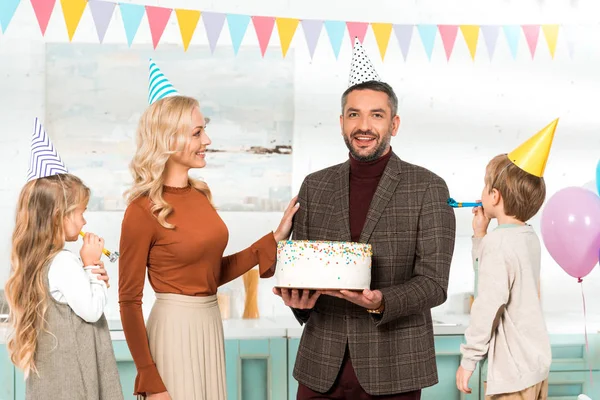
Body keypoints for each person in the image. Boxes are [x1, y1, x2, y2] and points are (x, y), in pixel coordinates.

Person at [274, 38, 456, 399]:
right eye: (354, 114)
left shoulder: (428, 188)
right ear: (342, 122)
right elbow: (303, 272)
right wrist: (298, 301)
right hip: (320, 367)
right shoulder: (316, 186)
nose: (364, 125)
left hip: (394, 370)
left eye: (377, 114)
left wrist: (381, 301)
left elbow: (435, 283)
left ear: (395, 123)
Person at [118, 60, 298, 400]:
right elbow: (129, 300)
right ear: (168, 139)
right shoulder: (141, 211)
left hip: (209, 325)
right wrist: (149, 377)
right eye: (197, 132)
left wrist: (272, 240)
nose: (208, 140)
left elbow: (210, 274)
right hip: (172, 332)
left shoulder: (200, 195)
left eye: (204, 130)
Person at [5, 118, 123, 400]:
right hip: (75, 385)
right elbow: (92, 311)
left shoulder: (42, 263)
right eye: (81, 211)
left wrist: (90, 273)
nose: (85, 219)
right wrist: (91, 265)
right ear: (60, 215)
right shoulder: (63, 262)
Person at [456, 119, 557, 399]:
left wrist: (469, 360)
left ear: (495, 196)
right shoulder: (527, 236)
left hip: (512, 374)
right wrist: (480, 236)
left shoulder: (498, 243)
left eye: (485, 186)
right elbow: (495, 275)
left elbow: (488, 304)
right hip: (535, 366)